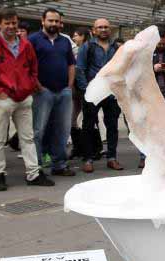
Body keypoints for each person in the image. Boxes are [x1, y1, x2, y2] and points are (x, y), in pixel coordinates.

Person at [0, 7, 54, 191]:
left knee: (27, 138)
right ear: (0, 24)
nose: (12, 26)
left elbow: (33, 68)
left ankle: (33, 173)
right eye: (7, 23)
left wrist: (29, 87)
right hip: (2, 98)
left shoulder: (25, 45)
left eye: (14, 22)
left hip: (23, 97)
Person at [29, 8, 76, 177]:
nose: (54, 24)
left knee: (62, 130)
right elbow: (27, 65)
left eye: (56, 21)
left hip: (63, 92)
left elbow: (71, 64)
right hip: (42, 93)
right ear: (43, 21)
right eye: (50, 20)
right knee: (38, 130)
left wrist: (69, 86)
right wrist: (38, 86)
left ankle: (59, 165)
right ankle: (36, 167)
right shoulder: (33, 40)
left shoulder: (64, 41)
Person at [76, 18, 124, 173]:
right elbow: (80, 69)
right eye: (100, 27)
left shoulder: (116, 48)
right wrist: (86, 90)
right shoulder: (87, 47)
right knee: (88, 126)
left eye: (106, 27)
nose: (103, 29)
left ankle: (112, 158)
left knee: (112, 126)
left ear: (109, 30)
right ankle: (88, 159)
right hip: (93, 93)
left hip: (111, 93)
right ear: (94, 30)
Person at [69, 27, 90, 160]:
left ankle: (89, 148)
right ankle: (78, 147)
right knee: (74, 119)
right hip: (76, 90)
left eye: (76, 35)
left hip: (84, 89)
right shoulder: (75, 51)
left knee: (87, 119)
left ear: (83, 36)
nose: (74, 38)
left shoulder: (88, 49)